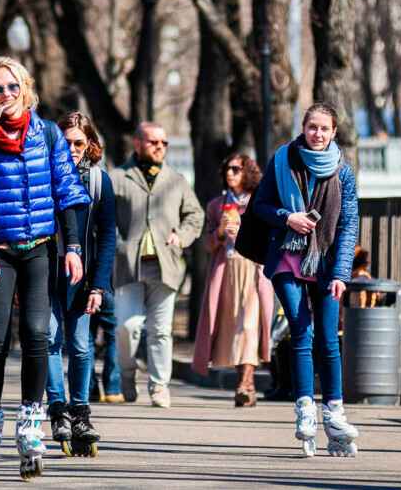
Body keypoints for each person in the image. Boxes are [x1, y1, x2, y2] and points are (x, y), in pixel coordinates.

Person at [0, 56, 89, 481]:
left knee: (36, 333)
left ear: (26, 89)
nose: (6, 95)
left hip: (39, 250)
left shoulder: (48, 134)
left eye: (13, 87)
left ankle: (31, 420)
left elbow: (67, 192)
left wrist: (73, 248)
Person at [249, 102, 359, 458]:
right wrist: (287, 217)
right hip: (287, 255)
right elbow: (259, 206)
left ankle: (335, 412)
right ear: (304, 127)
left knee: (328, 338)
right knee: (301, 329)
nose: (317, 134)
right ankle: (305, 409)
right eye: (312, 127)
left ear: (333, 133)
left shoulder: (342, 172)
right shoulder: (283, 160)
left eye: (324, 129)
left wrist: (342, 273)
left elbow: (348, 224)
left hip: (326, 262)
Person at [111, 122, 205, 407]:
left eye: (164, 143)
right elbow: (104, 219)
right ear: (137, 144)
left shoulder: (176, 180)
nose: (160, 148)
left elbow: (195, 215)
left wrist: (182, 236)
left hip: (165, 266)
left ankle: (159, 385)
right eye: (153, 142)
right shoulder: (117, 177)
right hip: (128, 266)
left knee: (161, 330)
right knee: (127, 327)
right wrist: (118, 244)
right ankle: (127, 373)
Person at [46, 111, 116, 457]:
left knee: (81, 345)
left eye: (79, 142)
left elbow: (106, 238)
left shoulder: (99, 182)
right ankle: (57, 411)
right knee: (49, 340)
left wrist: (98, 286)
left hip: (82, 278)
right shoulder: (42, 175)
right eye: (66, 142)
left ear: (90, 144)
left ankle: (81, 412)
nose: (72, 148)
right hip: (45, 274)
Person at [192, 154, 274, 407]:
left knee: (249, 326)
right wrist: (218, 232)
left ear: (247, 172)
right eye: (227, 169)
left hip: (253, 269)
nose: (230, 173)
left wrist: (245, 233)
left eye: (236, 169)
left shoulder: (260, 201)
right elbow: (206, 244)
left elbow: (271, 237)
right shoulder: (217, 205)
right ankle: (246, 385)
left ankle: (244, 384)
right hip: (226, 270)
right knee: (229, 329)